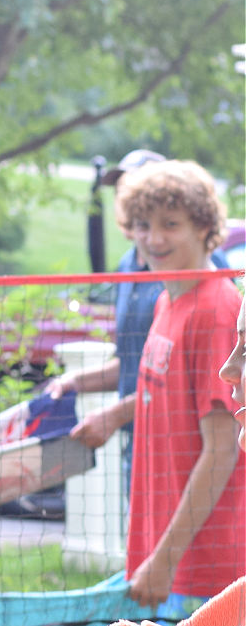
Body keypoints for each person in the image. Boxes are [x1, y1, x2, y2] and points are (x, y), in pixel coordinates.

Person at [108, 163, 245, 626]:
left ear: (204, 227)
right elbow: (173, 392)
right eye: (144, 225)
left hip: (216, 549)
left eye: (171, 224)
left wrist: (163, 554)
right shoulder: (172, 300)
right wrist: (114, 413)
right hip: (177, 540)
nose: (154, 239)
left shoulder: (218, 307)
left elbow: (222, 447)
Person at [49, 149, 229, 491]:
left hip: (185, 445)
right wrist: (76, 381)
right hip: (141, 442)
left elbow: (193, 384)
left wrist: (116, 414)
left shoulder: (202, 272)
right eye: (121, 186)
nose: (125, 190)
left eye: (136, 181)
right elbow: (138, 361)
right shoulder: (130, 268)